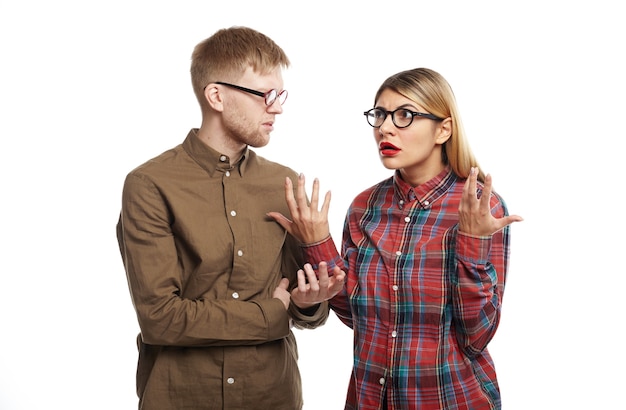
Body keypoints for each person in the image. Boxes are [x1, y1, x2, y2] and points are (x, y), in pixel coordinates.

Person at [116, 26, 344, 410]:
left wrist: (308, 302)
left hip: (273, 396)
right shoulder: (150, 184)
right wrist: (272, 312)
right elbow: (161, 318)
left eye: (280, 94)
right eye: (265, 95)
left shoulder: (283, 183)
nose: (277, 107)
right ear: (216, 96)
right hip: (182, 397)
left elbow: (305, 309)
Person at [268, 67, 523, 409]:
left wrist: (472, 243)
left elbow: (477, 336)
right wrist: (317, 242)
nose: (385, 128)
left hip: (450, 400)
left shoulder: (479, 206)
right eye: (380, 115)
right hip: (370, 400)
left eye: (405, 115)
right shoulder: (364, 207)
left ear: (443, 129)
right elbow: (357, 316)